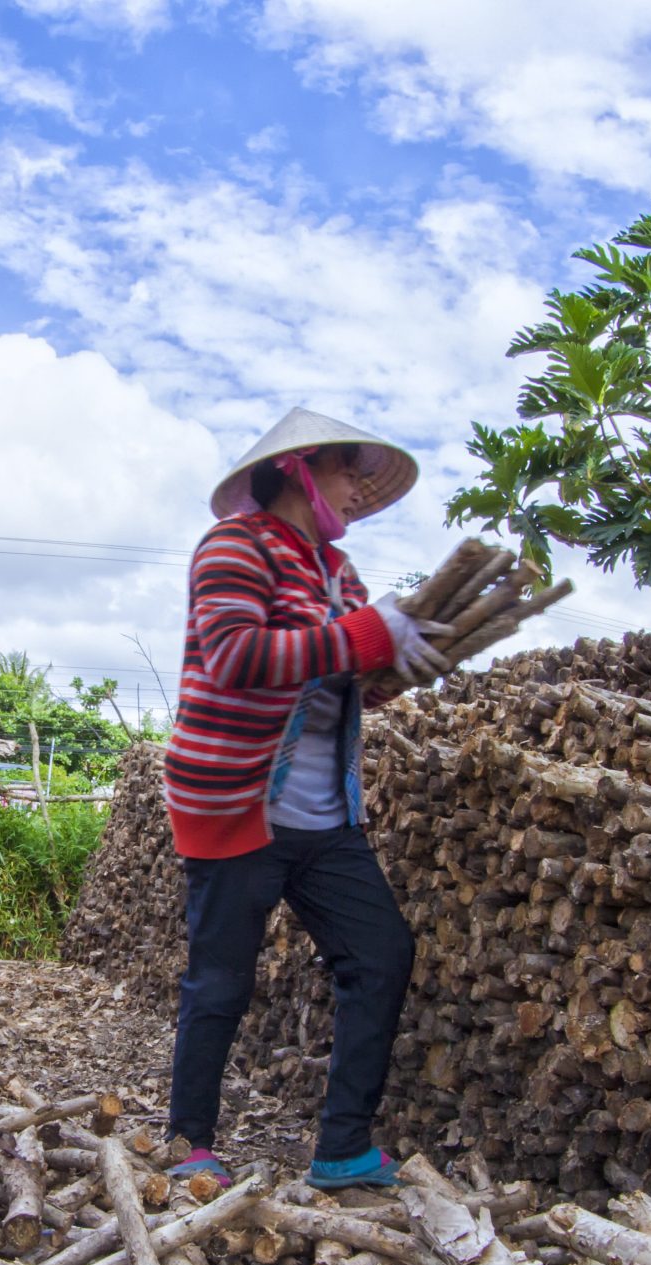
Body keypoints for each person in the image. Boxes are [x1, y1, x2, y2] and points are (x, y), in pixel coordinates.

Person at [161, 407, 449, 1191]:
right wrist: (364, 637)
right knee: (221, 978)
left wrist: (398, 666)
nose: (359, 491)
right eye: (349, 472)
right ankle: (191, 1140)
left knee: (381, 952)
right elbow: (235, 655)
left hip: (325, 812)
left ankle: (342, 1147)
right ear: (299, 467)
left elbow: (343, 682)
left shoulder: (338, 574)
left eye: (362, 479)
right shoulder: (233, 547)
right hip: (234, 800)